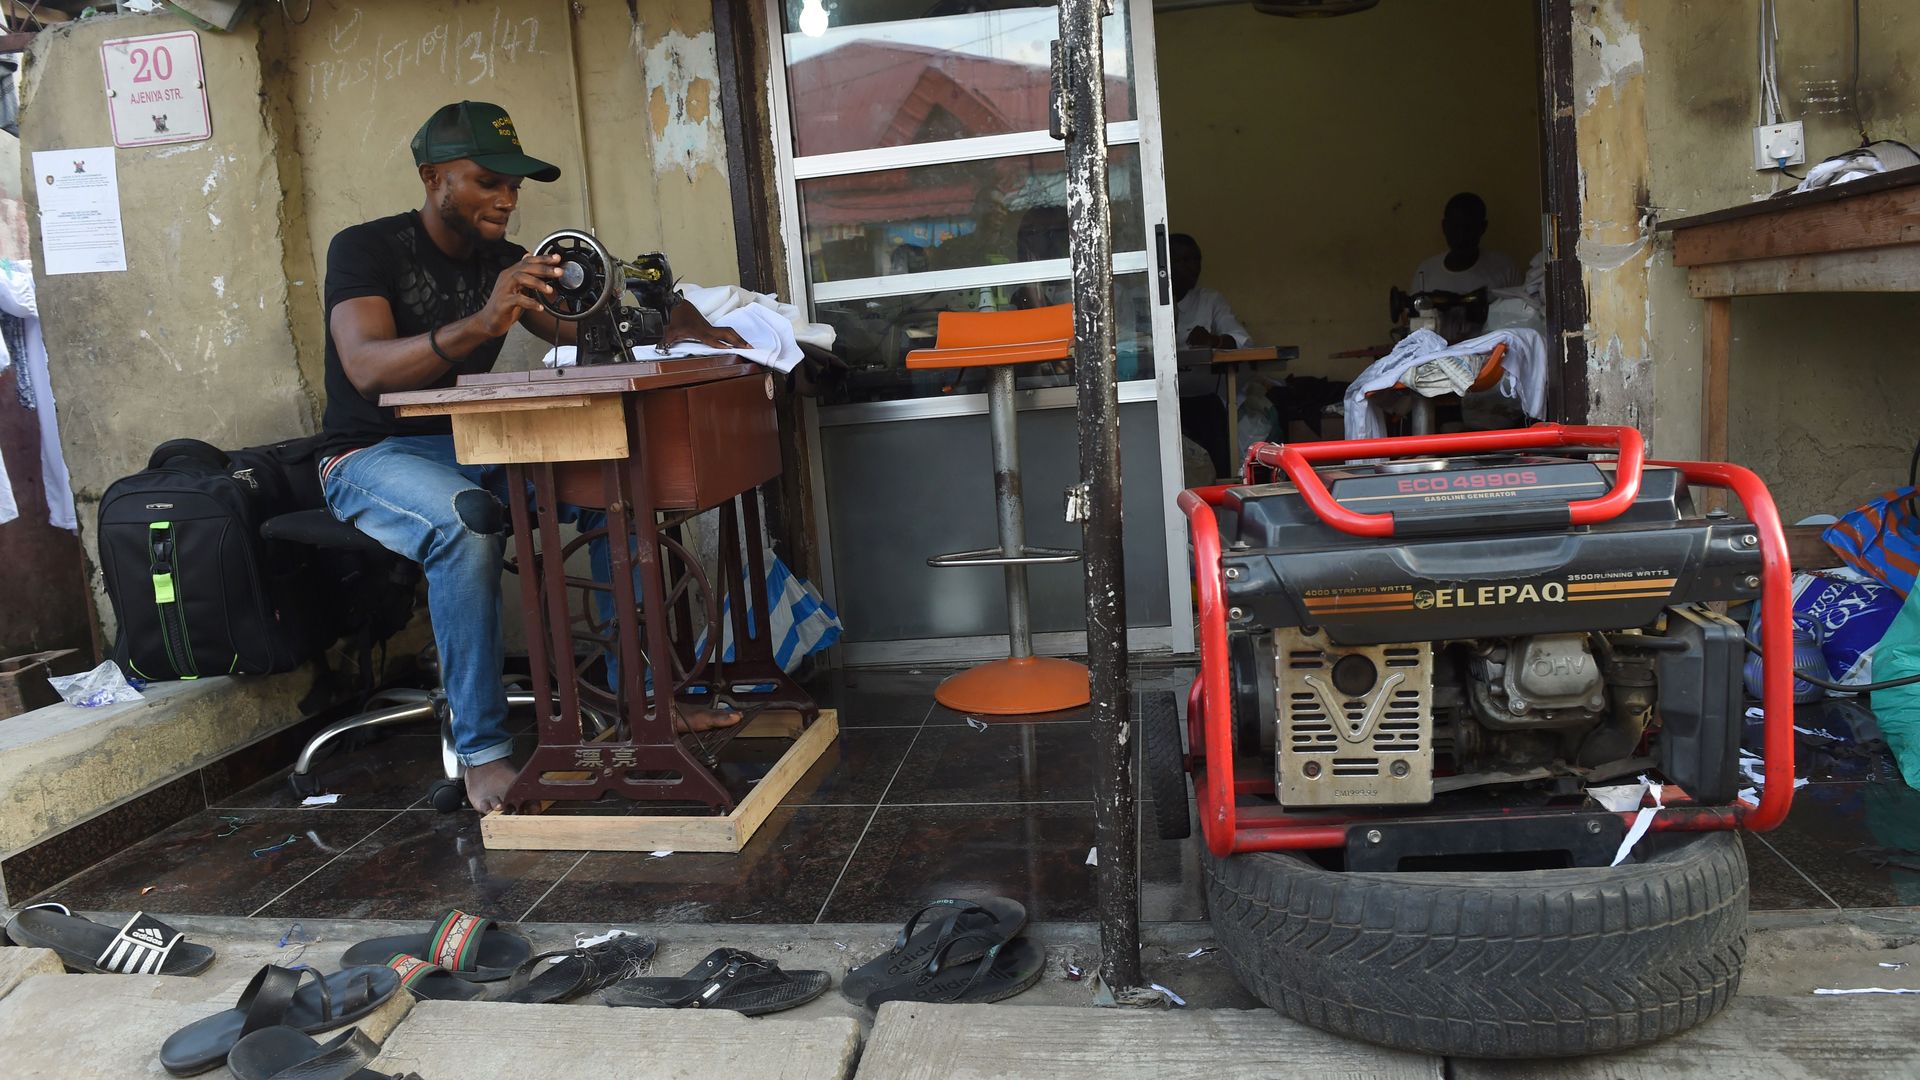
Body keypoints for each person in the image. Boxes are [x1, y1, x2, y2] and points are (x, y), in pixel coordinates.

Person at [317, 101, 735, 814]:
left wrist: (657, 313)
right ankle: (480, 751)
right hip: (370, 456)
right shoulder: (365, 249)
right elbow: (367, 368)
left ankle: (645, 706)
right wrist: (485, 320)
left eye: (514, 186)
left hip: (472, 443)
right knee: (467, 524)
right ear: (433, 178)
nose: (506, 199)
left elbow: (586, 321)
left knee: (617, 488)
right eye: (486, 181)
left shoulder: (507, 262)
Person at [1171, 233, 1252, 478]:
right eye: (1183, 260)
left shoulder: (1209, 300)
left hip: (1201, 399)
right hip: (1162, 402)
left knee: (1214, 431)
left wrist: (1214, 341)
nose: (1193, 267)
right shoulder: (1143, 299)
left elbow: (1242, 341)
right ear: (1165, 264)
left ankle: (1218, 500)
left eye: (1196, 260)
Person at [1410, 192, 1519, 296]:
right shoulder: (1426, 272)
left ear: (1483, 227)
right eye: (1455, 227)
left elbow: (1522, 312)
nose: (1461, 236)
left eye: (1469, 228)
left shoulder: (1505, 268)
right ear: (1444, 227)